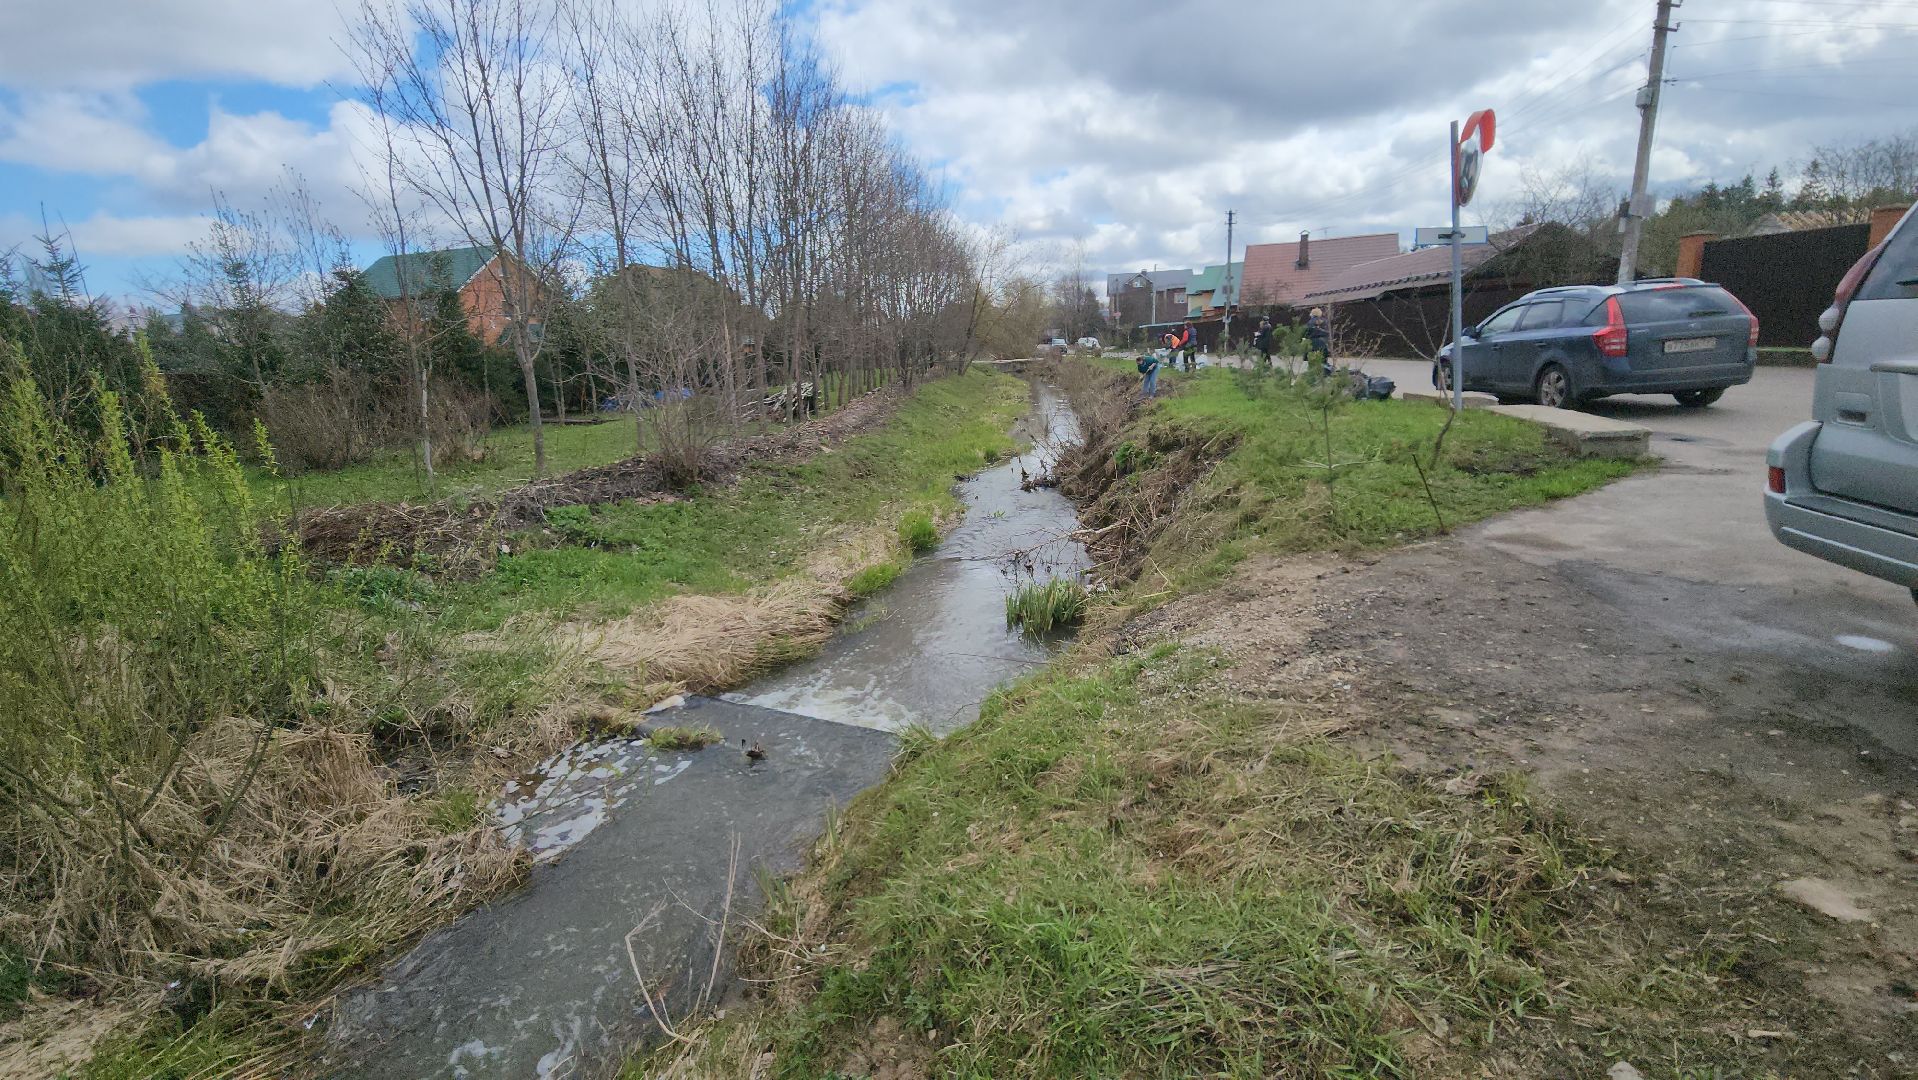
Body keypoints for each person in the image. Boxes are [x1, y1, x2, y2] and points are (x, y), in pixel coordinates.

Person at [1305, 307, 1332, 372]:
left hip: (1313, 343)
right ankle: (1324, 375)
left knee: (1312, 361)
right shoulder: (1325, 321)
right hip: (1323, 343)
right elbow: (1328, 333)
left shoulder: (1310, 322)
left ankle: (1313, 374)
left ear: (1312, 314)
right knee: (1323, 360)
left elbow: (1306, 334)